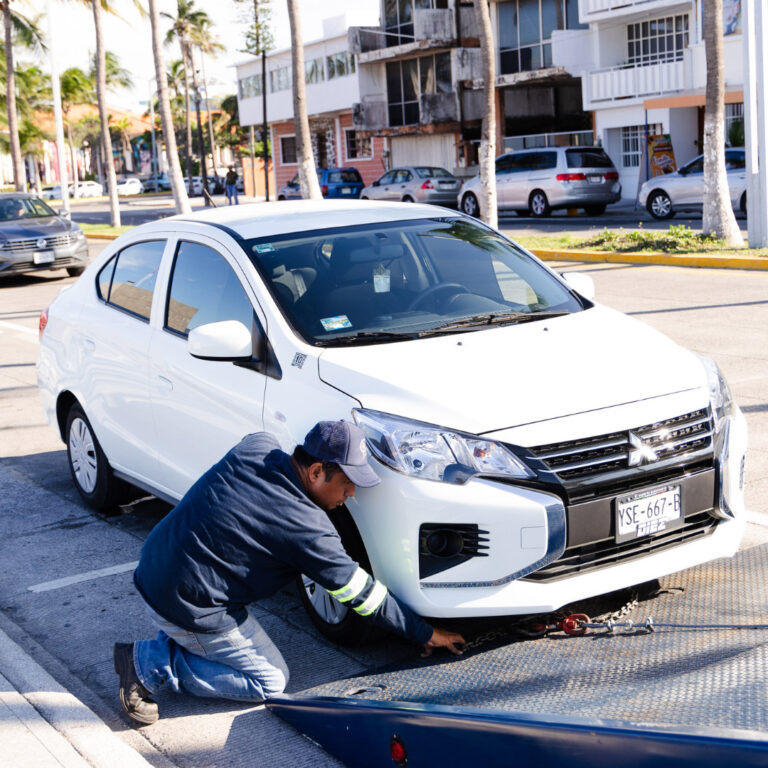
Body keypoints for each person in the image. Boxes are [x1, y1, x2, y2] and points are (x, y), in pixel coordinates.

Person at [114, 420, 465, 725]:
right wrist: (424, 632)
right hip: (189, 606)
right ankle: (150, 664)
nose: (351, 493)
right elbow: (364, 596)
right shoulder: (307, 530)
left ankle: (171, 645)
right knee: (269, 681)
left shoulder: (257, 446)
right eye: (346, 482)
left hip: (155, 564)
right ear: (315, 472)